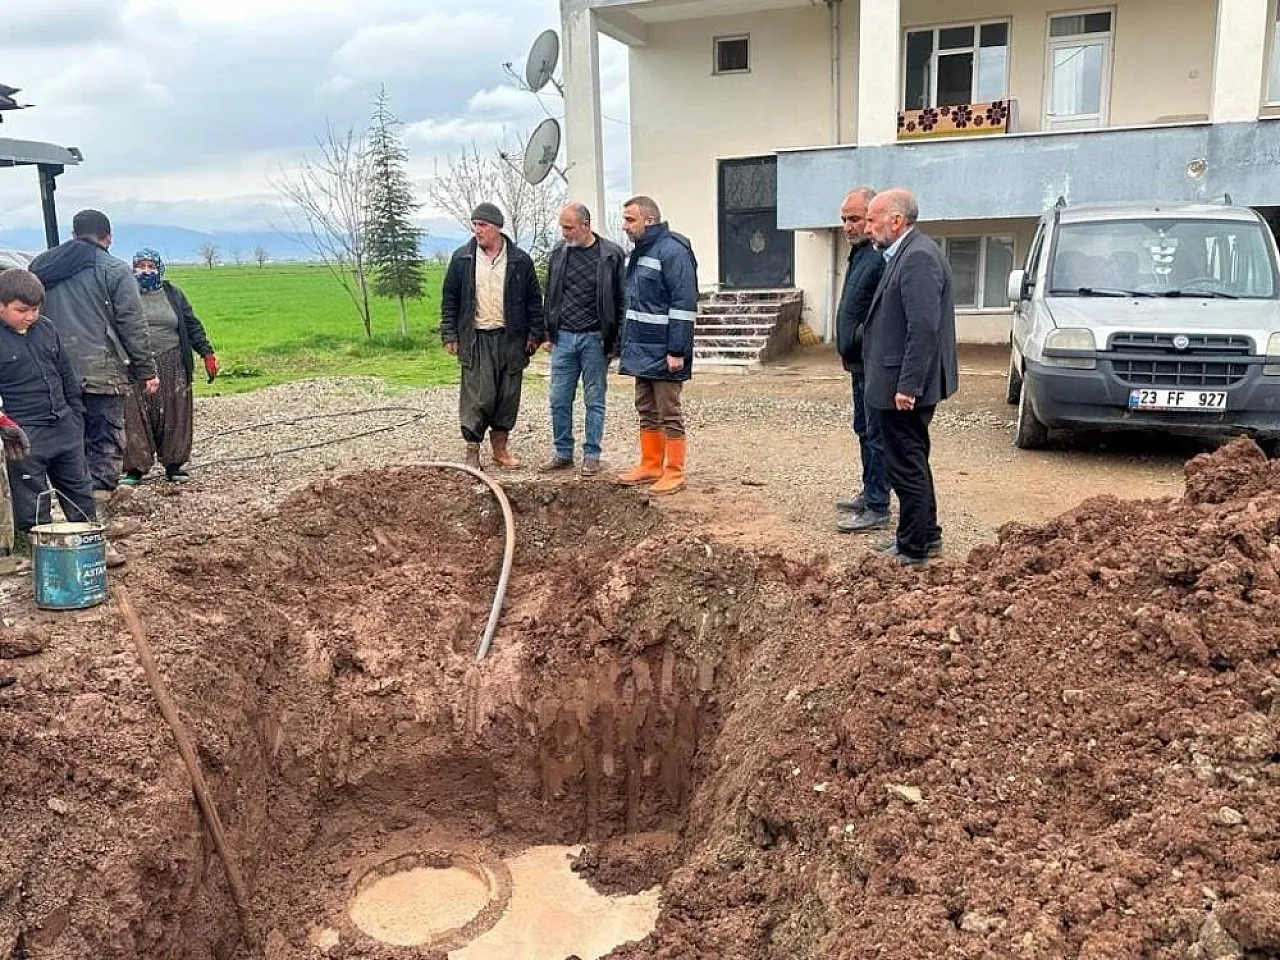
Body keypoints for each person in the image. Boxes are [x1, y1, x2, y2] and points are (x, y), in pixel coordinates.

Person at [29, 209, 158, 508]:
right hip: (100, 369)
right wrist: (146, 370)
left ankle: (64, 497)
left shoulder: (42, 265)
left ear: (73, 235)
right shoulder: (113, 269)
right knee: (104, 437)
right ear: (108, 237)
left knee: (68, 433)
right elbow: (132, 323)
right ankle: (97, 505)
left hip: (52, 370)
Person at [0, 269, 124, 567]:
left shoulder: (47, 329)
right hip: (24, 435)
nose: (30, 316)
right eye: (21, 310)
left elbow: (66, 375)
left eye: (35, 309)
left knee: (79, 490)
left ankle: (93, 545)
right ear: (1, 305)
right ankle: (41, 557)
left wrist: (75, 416)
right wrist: (5, 425)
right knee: (33, 499)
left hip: (63, 425)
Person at [863, 188, 959, 567]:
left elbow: (923, 328)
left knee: (906, 464)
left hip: (902, 387)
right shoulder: (906, 253)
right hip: (897, 381)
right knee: (911, 459)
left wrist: (908, 385)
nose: (868, 228)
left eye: (872, 219)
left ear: (896, 220)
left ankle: (914, 547)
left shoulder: (917, 257)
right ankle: (923, 535)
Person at [440, 202, 545, 470]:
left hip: (511, 338)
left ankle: (500, 450)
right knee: (478, 395)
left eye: (483, 225)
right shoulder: (462, 259)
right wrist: (450, 333)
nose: (478, 230)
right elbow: (450, 299)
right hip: (476, 338)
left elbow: (534, 300)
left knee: (507, 396)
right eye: (475, 225)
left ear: (497, 227)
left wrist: (535, 334)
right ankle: (472, 450)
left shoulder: (520, 260)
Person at [614, 196, 698, 496]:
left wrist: (677, 351)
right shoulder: (640, 252)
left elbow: (684, 305)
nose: (624, 226)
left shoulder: (673, 251)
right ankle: (651, 464)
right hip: (641, 349)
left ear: (649, 220)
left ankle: (674, 472)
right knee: (646, 409)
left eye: (630, 220)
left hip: (664, 351)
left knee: (669, 412)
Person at [539, 202, 626, 477]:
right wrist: (546, 332)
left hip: (595, 340)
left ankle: (591, 455)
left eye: (569, 227)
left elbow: (622, 300)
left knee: (595, 399)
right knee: (558, 398)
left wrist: (616, 342)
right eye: (562, 227)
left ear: (585, 225)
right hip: (563, 338)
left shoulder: (611, 254)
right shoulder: (557, 254)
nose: (564, 233)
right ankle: (563, 452)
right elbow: (549, 296)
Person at [120, 249, 218, 486]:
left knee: (176, 414)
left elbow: (191, 324)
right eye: (140, 266)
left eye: (150, 266)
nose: (145, 271)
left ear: (159, 268)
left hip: (172, 361)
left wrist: (206, 352)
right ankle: (135, 468)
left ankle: (174, 465)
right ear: (132, 269)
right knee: (134, 415)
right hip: (135, 363)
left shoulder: (173, 294)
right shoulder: (124, 295)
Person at [833, 186, 890, 534]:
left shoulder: (878, 258)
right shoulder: (859, 255)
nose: (848, 226)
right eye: (844, 219)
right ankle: (869, 492)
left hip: (872, 364)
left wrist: (857, 339)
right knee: (863, 430)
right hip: (857, 364)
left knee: (876, 434)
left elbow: (881, 315)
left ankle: (878, 504)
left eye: (854, 218)